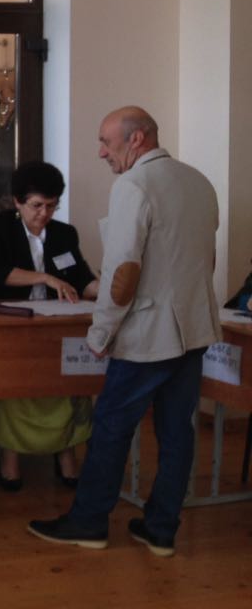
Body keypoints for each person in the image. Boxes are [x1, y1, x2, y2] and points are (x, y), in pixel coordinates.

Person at [29, 106, 220, 557]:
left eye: (105, 141)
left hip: (146, 336)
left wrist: (100, 334)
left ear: (137, 139)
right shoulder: (199, 181)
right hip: (194, 331)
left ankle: (88, 522)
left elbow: (123, 273)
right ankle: (161, 529)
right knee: (178, 433)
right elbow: (205, 261)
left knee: (112, 428)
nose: (101, 152)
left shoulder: (134, 185)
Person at [0, 161, 100, 491]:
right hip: (9, 326)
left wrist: (109, 289)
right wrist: (45, 277)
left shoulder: (64, 234)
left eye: (51, 206)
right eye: (37, 206)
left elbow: (82, 280)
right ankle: (10, 455)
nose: (44, 213)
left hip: (54, 328)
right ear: (18, 202)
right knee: (14, 380)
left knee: (71, 376)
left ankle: (66, 452)